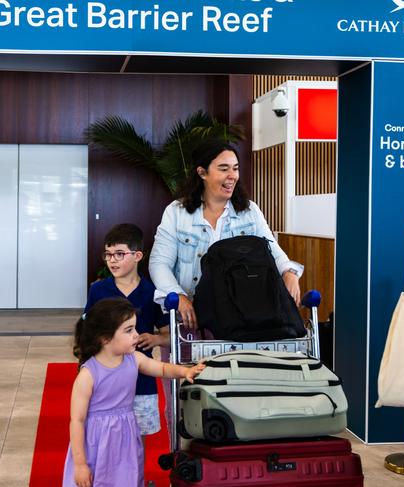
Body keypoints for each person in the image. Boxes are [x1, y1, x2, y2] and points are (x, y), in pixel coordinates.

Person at [149, 139, 303, 329]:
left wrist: (289, 272)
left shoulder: (249, 211)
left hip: (241, 318)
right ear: (202, 172)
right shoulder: (176, 212)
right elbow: (159, 262)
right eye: (223, 169)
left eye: (235, 168)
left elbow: (272, 249)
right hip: (191, 320)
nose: (232, 176)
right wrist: (178, 296)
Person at [63, 298, 205, 487]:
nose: (137, 335)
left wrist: (184, 371)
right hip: (96, 441)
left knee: (126, 477)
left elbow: (162, 369)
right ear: (105, 338)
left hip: (125, 436)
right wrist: (80, 464)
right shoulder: (88, 374)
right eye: (129, 330)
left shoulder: (134, 359)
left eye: (135, 328)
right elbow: (77, 420)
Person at [85, 223, 170, 443]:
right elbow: (86, 331)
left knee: (138, 439)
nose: (112, 260)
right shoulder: (98, 290)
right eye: (108, 254)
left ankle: (135, 478)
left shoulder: (152, 292)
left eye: (119, 254)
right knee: (107, 436)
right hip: (105, 378)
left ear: (137, 255)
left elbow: (168, 334)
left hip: (141, 380)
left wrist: (156, 339)